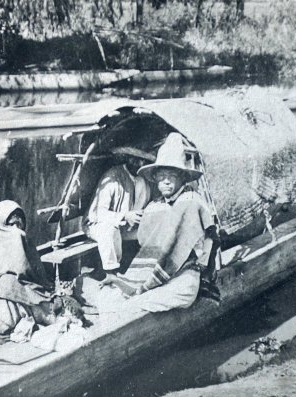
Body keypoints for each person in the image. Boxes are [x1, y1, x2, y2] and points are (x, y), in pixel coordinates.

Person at [112, 132, 216, 312]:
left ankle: (138, 297)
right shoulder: (154, 207)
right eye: (161, 177)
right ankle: (141, 290)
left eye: (172, 176)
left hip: (184, 276)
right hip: (157, 274)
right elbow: (145, 243)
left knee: (133, 304)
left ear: (182, 177)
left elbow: (210, 239)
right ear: (155, 179)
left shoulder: (192, 202)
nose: (166, 181)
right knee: (115, 294)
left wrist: (205, 272)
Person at [0, 200, 56, 337]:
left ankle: (8, 321)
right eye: (12, 223)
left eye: (18, 223)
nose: (16, 227)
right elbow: (27, 271)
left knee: (10, 285)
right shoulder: (19, 236)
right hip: (5, 301)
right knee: (35, 294)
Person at [84, 146, 155, 278]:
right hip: (98, 224)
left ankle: (149, 271)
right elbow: (98, 213)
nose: (139, 164)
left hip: (125, 227)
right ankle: (110, 274)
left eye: (143, 161)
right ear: (127, 158)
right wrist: (125, 216)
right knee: (108, 229)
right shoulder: (113, 177)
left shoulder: (143, 180)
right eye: (135, 160)